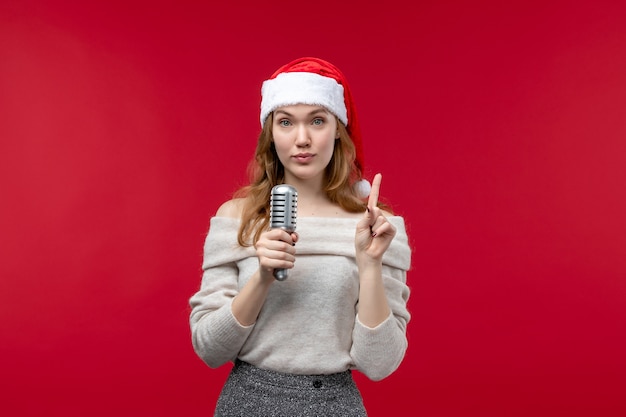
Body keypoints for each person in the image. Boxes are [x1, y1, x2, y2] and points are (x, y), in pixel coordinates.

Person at [189, 57, 411, 416]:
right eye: (286, 122)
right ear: (270, 132)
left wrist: (370, 266)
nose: (302, 139)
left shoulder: (377, 227)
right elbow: (209, 348)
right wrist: (261, 277)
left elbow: (380, 363)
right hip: (247, 402)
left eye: (317, 121)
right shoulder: (236, 219)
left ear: (338, 130)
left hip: (335, 405)